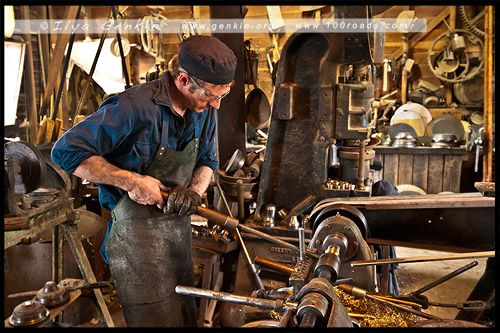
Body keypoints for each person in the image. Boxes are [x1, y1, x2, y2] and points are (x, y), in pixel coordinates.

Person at [51, 35, 237, 327]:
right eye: (209, 95)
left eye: (222, 96)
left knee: (185, 315)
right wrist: (131, 181)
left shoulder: (203, 112)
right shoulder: (132, 108)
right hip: (136, 241)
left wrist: (194, 191)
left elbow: (208, 161)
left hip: (177, 236)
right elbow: (65, 152)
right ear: (184, 79)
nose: (215, 105)